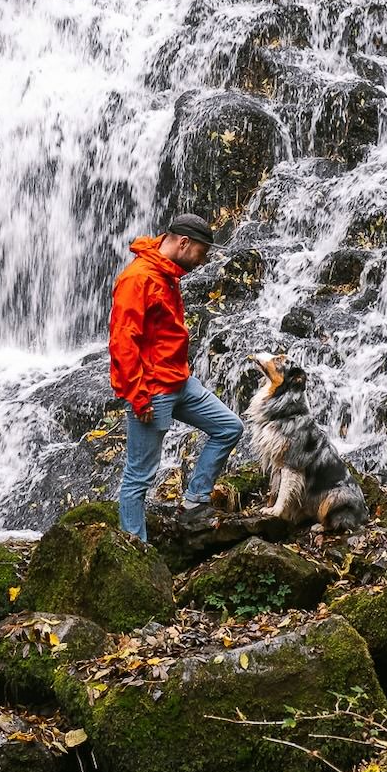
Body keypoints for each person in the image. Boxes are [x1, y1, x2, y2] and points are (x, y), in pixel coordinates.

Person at [109, 213, 244, 542]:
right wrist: (138, 396)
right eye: (202, 252)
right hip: (153, 391)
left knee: (229, 427)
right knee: (140, 476)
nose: (203, 260)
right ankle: (135, 552)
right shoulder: (138, 279)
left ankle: (195, 500)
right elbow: (123, 342)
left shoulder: (166, 272)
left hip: (180, 382)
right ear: (184, 243)